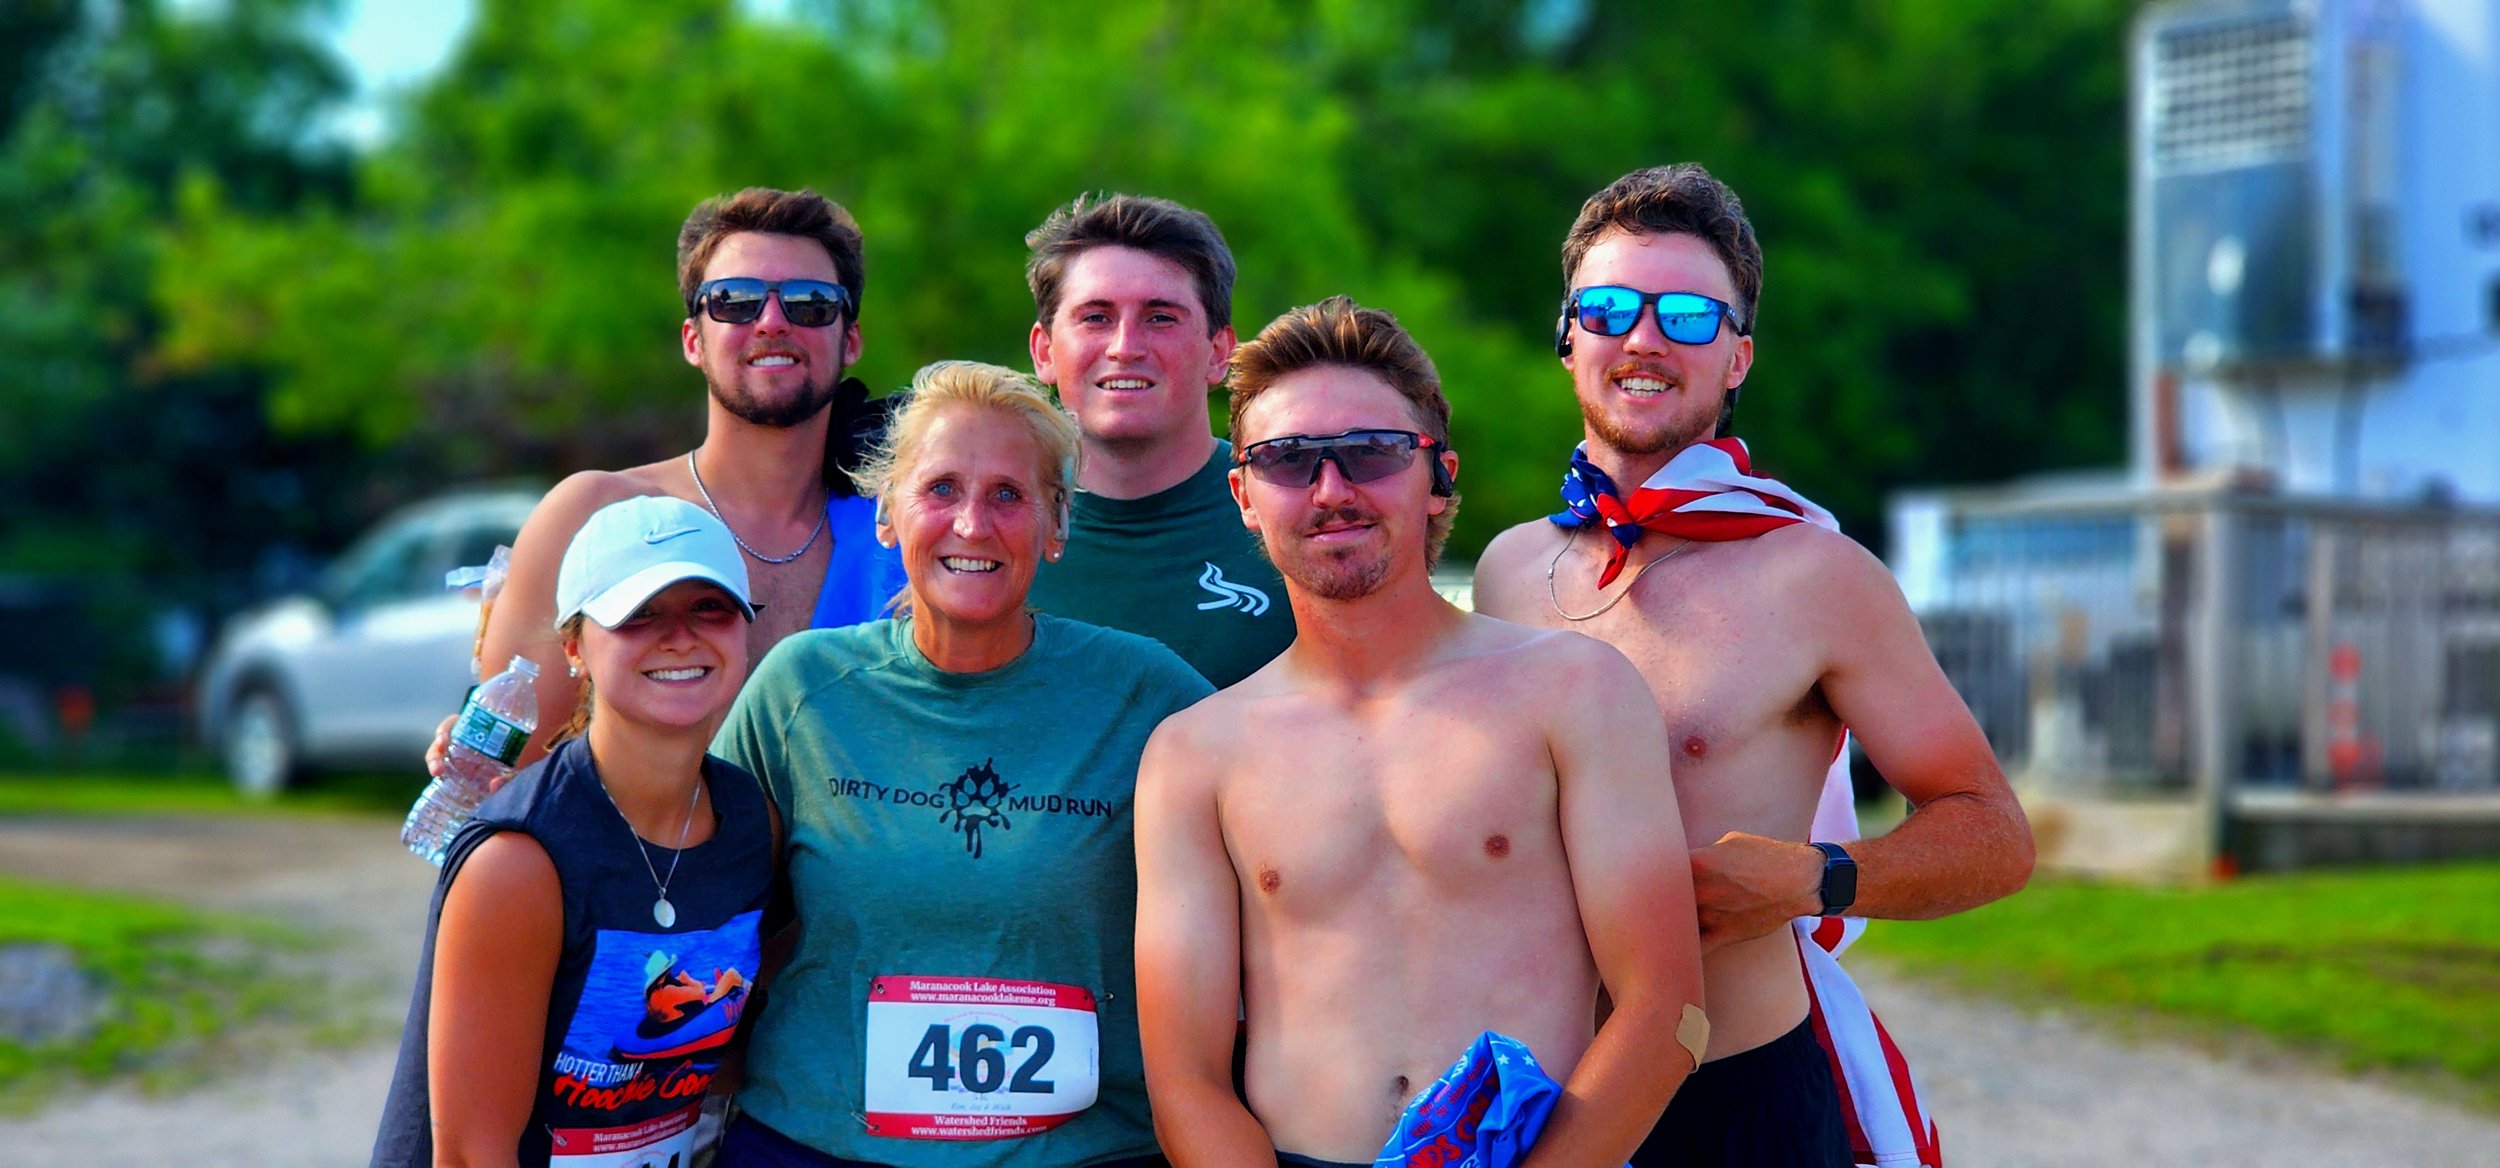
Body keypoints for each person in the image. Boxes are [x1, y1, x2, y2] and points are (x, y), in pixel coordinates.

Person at [1473, 164, 2035, 1167]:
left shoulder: (1816, 575)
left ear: (1736, 358)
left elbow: (1993, 834)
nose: (1643, 339)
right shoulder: (1510, 569)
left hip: (1735, 1103)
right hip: (1536, 1096)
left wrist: (1816, 877)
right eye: (1607, 308)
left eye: (1687, 316)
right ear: (1568, 339)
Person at [1134, 297, 1708, 1168]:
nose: (1332, 491)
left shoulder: (1575, 693)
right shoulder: (1194, 755)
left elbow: (1668, 1011)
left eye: (1370, 453)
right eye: (1288, 462)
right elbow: (1186, 1081)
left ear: (1436, 473)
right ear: (1244, 496)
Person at [708, 361, 1213, 1168]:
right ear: (886, 516)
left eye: (1009, 495)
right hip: (814, 1144)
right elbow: (689, 899)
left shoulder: (1146, 693)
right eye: (940, 489)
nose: (972, 524)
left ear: (1057, 528)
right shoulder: (801, 689)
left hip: (1084, 1154)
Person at [372, 495, 777, 1168]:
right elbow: (472, 1153)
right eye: (637, 615)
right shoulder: (519, 861)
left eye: (709, 608)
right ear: (574, 647)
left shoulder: (748, 821)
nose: (679, 636)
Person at [459, 186, 905, 773]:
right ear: (694, 339)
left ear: (849, 339)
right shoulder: (592, 515)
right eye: (735, 300)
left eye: (810, 302)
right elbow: (494, 778)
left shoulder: (900, 533)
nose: (772, 322)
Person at [1023, 193, 1296, 688]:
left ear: (1219, 352)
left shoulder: (1293, 512)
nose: (1125, 347)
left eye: (1160, 317)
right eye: (1096, 317)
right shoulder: (988, 526)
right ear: (1044, 351)